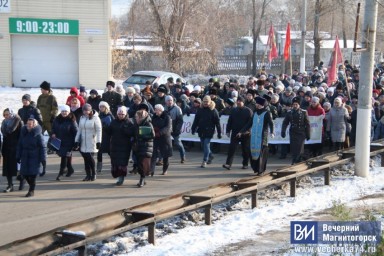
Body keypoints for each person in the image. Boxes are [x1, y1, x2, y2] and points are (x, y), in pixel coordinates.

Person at [237, 97, 274, 175]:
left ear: (260, 104)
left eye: (257, 103)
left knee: (261, 153)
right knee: (253, 153)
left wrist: (272, 132)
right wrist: (241, 131)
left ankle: (261, 170)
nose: (256, 105)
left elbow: (271, 123)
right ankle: (256, 168)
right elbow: (249, 124)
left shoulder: (267, 113)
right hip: (254, 137)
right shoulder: (255, 113)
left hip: (263, 137)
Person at [16, 118, 46, 197]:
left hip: (35, 156)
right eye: (27, 123)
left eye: (30, 124)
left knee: (33, 175)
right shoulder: (23, 133)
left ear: (34, 125)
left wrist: (43, 160)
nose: (28, 125)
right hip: (25, 156)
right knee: (25, 174)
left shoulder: (38, 135)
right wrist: (18, 156)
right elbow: (19, 145)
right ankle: (31, 186)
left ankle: (31, 190)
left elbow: (43, 147)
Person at [222, 97, 253, 170]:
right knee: (231, 148)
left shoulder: (248, 111)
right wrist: (227, 130)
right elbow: (230, 121)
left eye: (240, 101)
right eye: (237, 101)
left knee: (245, 150)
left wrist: (244, 131)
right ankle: (228, 164)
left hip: (245, 134)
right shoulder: (234, 110)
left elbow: (250, 123)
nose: (238, 102)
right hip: (235, 133)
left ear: (243, 102)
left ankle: (245, 163)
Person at [191, 95, 222, 168]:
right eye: (204, 102)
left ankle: (204, 160)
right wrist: (193, 129)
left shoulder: (213, 111)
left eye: (207, 102)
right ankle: (210, 155)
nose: (205, 103)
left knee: (206, 145)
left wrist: (219, 133)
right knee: (203, 146)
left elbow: (217, 123)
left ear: (210, 102)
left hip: (209, 130)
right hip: (201, 130)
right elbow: (196, 120)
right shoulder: (200, 110)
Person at [74, 103, 102, 181]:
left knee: (90, 157)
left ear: (90, 110)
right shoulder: (82, 118)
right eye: (85, 110)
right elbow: (79, 130)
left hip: (92, 140)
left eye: (88, 110)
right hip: (83, 141)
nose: (86, 112)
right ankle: (88, 175)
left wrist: (99, 141)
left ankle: (94, 173)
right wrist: (76, 140)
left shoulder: (95, 118)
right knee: (85, 158)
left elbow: (99, 130)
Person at [108, 106, 135, 186]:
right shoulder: (114, 122)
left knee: (122, 163)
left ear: (125, 114)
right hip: (115, 145)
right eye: (119, 114)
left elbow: (132, 133)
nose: (120, 115)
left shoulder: (129, 122)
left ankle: (121, 177)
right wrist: (106, 128)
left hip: (125, 146)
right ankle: (117, 176)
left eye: (122, 114)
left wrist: (125, 130)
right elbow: (110, 132)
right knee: (115, 162)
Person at [51, 105, 78, 180]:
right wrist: (53, 133)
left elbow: (76, 131)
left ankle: (61, 172)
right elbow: (53, 127)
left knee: (64, 156)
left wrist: (76, 142)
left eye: (65, 111)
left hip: (69, 141)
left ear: (68, 112)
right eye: (62, 111)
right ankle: (70, 169)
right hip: (59, 141)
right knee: (65, 156)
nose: (64, 113)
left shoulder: (72, 120)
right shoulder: (57, 119)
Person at [281, 97, 311, 165]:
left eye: (296, 104)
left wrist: (308, 134)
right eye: (294, 104)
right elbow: (285, 123)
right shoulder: (289, 112)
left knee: (300, 148)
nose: (295, 106)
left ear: (299, 105)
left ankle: (298, 161)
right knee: (294, 148)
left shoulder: (303, 112)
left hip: (301, 132)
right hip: (293, 132)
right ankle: (294, 160)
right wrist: (283, 131)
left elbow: (307, 123)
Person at [1, 109, 23, 193]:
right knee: (7, 168)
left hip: (16, 146)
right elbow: (3, 135)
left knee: (17, 167)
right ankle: (10, 185)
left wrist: (21, 147)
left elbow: (22, 135)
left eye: (8, 114)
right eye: (5, 115)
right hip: (6, 147)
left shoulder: (18, 122)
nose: (6, 116)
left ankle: (22, 180)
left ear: (12, 114)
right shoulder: (4, 122)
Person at [36, 80, 58, 162]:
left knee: (52, 134)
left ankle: (53, 148)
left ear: (46, 89)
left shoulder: (52, 98)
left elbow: (55, 108)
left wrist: (53, 116)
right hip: (41, 121)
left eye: (42, 89)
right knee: (38, 134)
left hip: (49, 120)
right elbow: (37, 108)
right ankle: (39, 148)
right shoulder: (40, 97)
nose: (41, 90)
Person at [133, 109, 155, 187]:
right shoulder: (136, 124)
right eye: (136, 117)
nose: (136, 118)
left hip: (146, 146)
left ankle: (142, 178)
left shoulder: (148, 123)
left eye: (138, 117)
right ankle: (143, 177)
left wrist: (143, 136)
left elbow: (152, 135)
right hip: (138, 146)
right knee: (138, 163)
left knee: (142, 163)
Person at [151, 104, 173, 176]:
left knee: (165, 156)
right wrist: (153, 130)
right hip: (156, 138)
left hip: (165, 138)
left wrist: (159, 133)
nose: (155, 111)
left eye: (156, 110)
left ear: (160, 110)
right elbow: (151, 125)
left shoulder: (167, 117)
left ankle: (165, 170)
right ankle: (151, 170)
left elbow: (167, 128)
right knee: (153, 154)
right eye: (155, 109)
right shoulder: (154, 117)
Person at [165, 95, 186, 163]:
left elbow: (180, 120)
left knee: (178, 143)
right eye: (168, 100)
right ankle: (161, 159)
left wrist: (177, 129)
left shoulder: (177, 109)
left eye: (171, 100)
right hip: (167, 128)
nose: (170, 102)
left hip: (175, 128)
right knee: (164, 144)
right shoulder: (164, 108)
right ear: (166, 101)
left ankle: (183, 156)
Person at [97, 101, 114, 172]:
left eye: (103, 106)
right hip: (100, 136)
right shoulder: (98, 115)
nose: (101, 108)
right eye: (100, 107)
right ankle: (99, 167)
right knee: (99, 152)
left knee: (110, 152)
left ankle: (113, 165)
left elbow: (113, 126)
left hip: (108, 136)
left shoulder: (110, 115)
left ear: (106, 107)